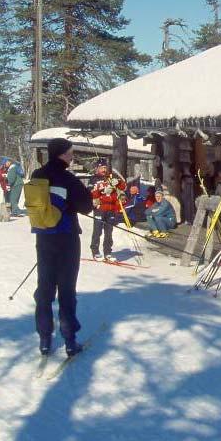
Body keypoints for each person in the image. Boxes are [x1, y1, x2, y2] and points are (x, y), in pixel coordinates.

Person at [30, 138, 93, 356]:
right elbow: (87, 206)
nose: (72, 156)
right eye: (70, 152)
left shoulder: (37, 175)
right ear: (62, 154)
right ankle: (69, 339)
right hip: (67, 238)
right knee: (66, 288)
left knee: (45, 287)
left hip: (44, 237)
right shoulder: (68, 178)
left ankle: (45, 338)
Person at [89, 160, 127, 261]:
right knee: (97, 231)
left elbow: (124, 186)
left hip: (111, 209)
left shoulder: (110, 178)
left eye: (105, 168)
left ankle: (107, 252)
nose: (104, 170)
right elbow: (90, 192)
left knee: (109, 232)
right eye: (102, 168)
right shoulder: (93, 179)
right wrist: (102, 190)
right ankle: (95, 251)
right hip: (99, 208)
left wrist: (118, 182)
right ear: (97, 168)